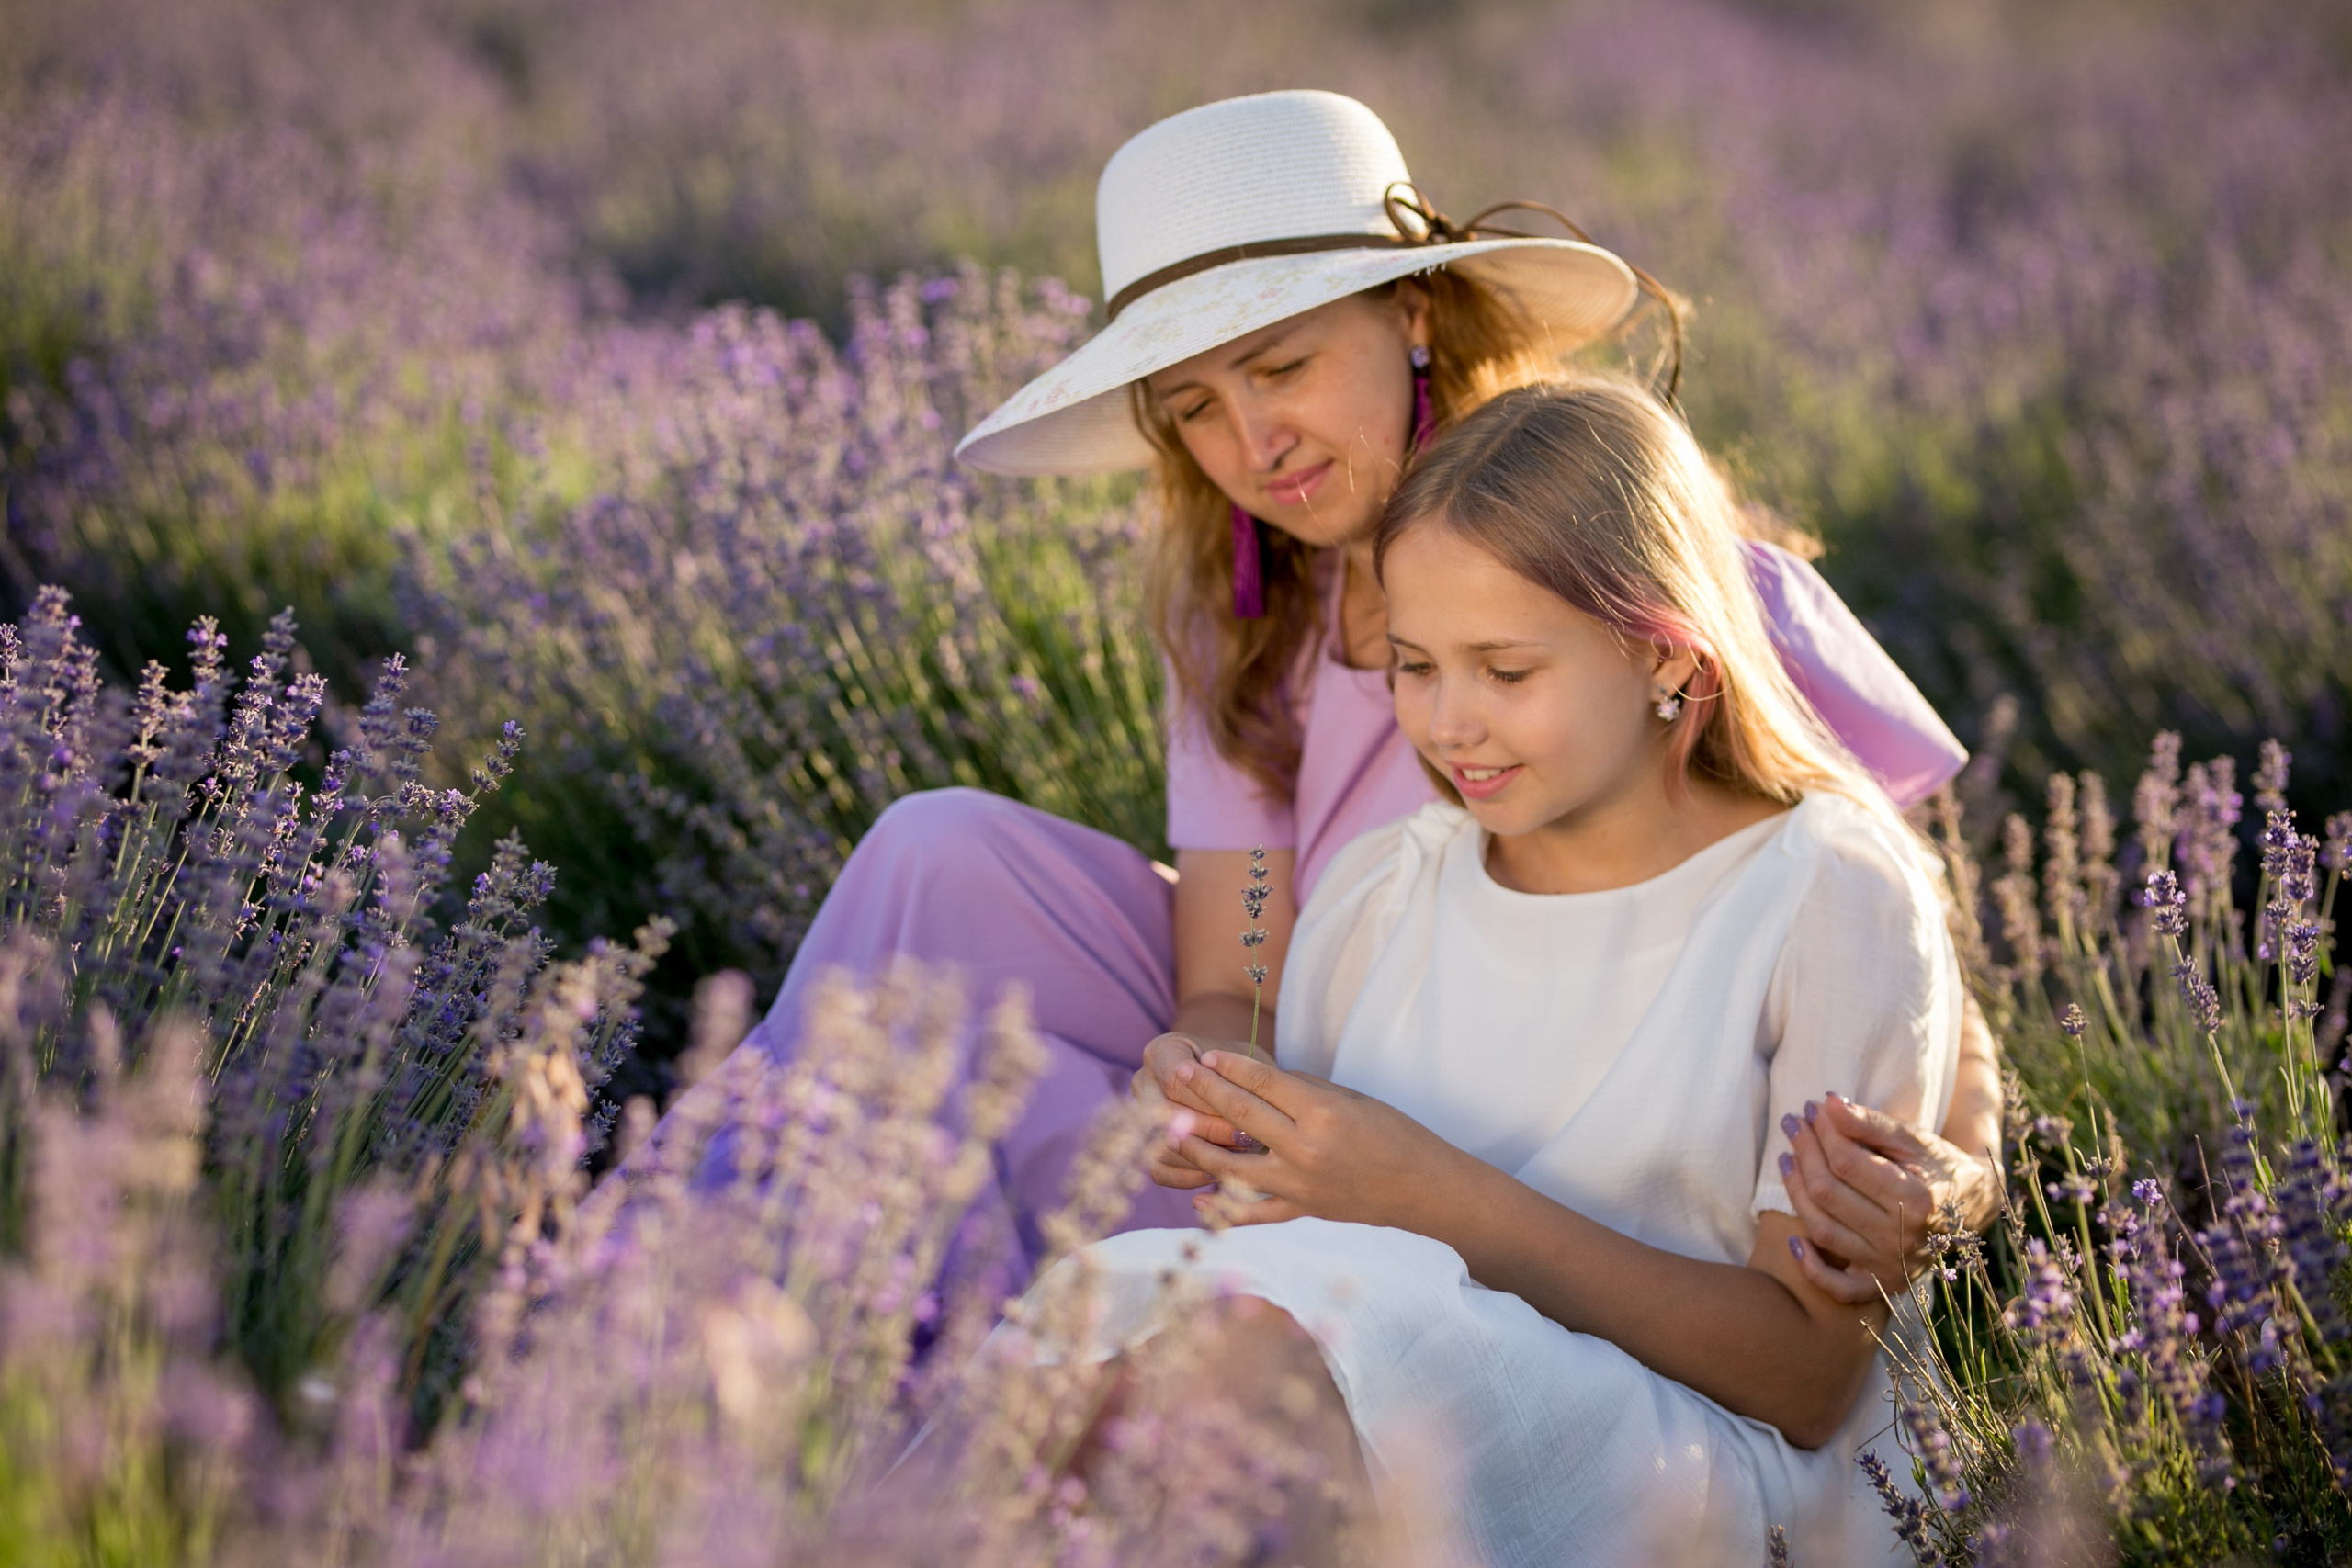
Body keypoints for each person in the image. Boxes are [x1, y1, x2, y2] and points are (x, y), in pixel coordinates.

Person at [726, 88, 2000, 1285]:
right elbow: (1242, 957)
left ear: (1414, 315)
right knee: (934, 860)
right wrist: (1211, 1068)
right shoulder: (1245, 622)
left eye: (1281, 368)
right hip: (1333, 1054)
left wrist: (1964, 1179)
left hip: (1553, 1121)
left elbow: (1898, 953)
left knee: (982, 1124)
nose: (1254, 444)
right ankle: (706, 1292)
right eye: (1195, 407)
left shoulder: (1665, 586)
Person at [1067, 376, 1962, 1563]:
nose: (1449, 723)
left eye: (1505, 670)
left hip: (1710, 1471)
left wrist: (1426, 1195)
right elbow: (1306, 1254)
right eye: (1415, 665)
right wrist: (1234, 1128)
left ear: (1666, 656)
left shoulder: (1824, 893)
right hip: (1395, 1410)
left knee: (1241, 1371)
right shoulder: (1385, 894)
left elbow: (1806, 1378)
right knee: (1078, 1391)